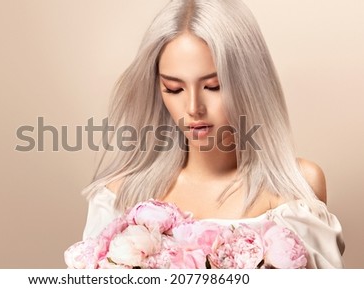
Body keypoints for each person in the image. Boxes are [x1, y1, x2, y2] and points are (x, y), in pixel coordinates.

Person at [79, 0, 345, 268]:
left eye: (214, 86)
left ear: (251, 83)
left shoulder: (297, 189)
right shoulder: (117, 195)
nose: (194, 108)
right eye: (174, 89)